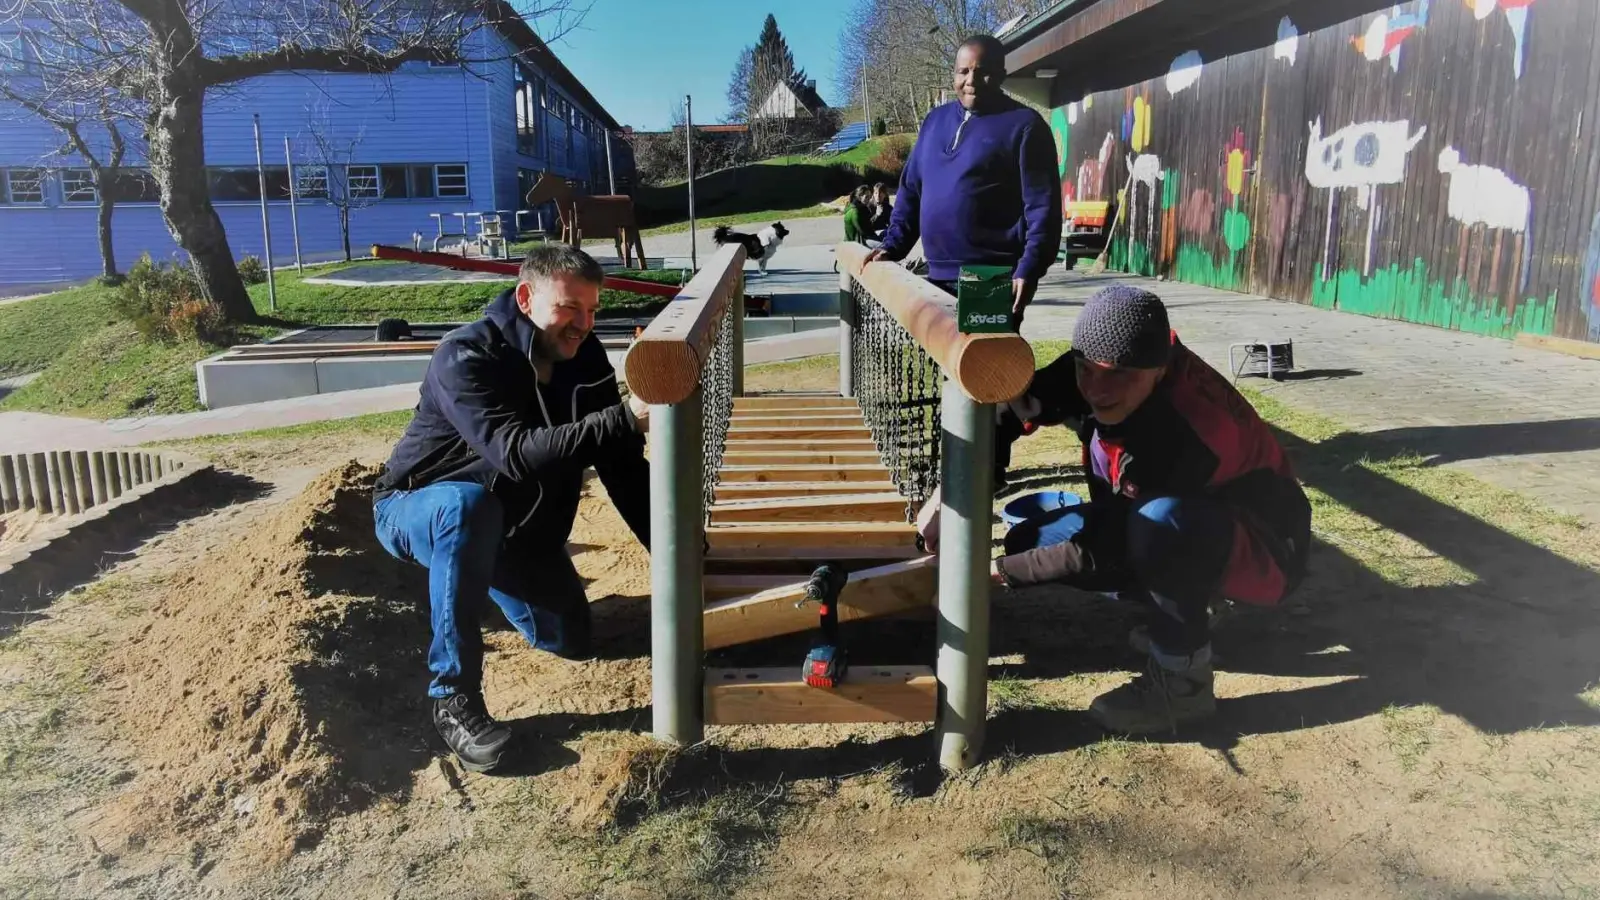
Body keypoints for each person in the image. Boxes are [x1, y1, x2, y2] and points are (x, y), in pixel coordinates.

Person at [918, 285, 1312, 734]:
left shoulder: (1190, 429)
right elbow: (1011, 411)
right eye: (1085, 371)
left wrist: (989, 574)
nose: (1096, 389)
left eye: (1118, 376)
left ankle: (1183, 684)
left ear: (1158, 370)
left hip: (1266, 548)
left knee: (1156, 525)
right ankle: (1193, 605)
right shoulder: (1108, 356)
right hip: (1184, 520)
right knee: (1029, 542)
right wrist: (950, 496)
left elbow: (1109, 542)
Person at [371, 245, 650, 773]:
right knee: (466, 506)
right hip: (416, 507)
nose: (584, 325)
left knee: (570, 639)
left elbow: (622, 465)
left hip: (516, 533)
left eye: (593, 310)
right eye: (569, 308)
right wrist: (625, 418)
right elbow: (515, 453)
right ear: (526, 298)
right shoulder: (466, 357)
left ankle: (475, 571)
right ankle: (452, 697)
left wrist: (687, 557)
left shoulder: (584, 356)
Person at [865, 34, 1062, 325]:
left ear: (1001, 75)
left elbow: (1043, 209)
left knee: (983, 354)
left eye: (983, 72)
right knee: (938, 352)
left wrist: (1029, 268)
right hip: (935, 275)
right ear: (954, 74)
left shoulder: (1025, 126)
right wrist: (892, 246)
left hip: (990, 276)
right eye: (963, 71)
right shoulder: (934, 122)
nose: (971, 80)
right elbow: (911, 192)